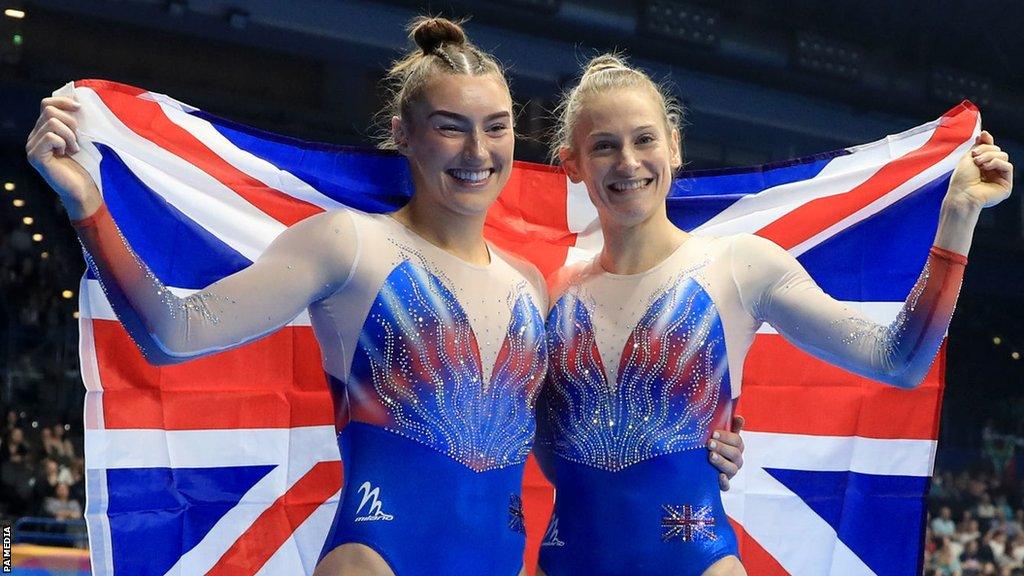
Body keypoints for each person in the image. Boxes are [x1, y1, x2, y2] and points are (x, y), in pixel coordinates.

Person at [25, 16, 746, 576]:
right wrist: (87, 205)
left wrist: (698, 441)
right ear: (403, 134)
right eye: (449, 128)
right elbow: (174, 332)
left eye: (494, 128)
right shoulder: (349, 245)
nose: (477, 152)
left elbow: (567, 445)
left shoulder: (530, 286)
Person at [534, 54, 1013, 576]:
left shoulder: (739, 264)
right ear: (572, 164)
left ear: (674, 144)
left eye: (644, 139)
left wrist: (958, 216)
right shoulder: (553, 292)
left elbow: (898, 360)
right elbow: (532, 442)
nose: (628, 161)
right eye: (604, 145)